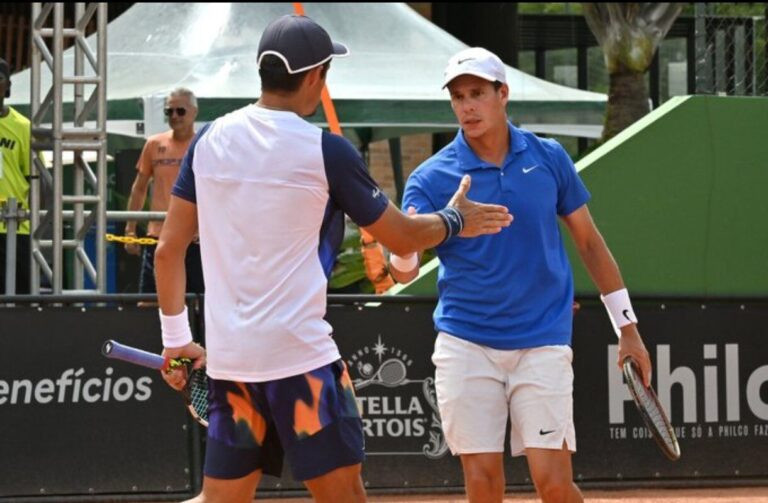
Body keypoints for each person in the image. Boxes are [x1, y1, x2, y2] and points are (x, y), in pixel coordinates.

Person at [154, 15, 512, 503]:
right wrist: (456, 219)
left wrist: (176, 342)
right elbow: (401, 236)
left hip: (231, 363)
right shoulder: (326, 151)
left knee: (219, 499)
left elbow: (168, 251)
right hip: (301, 363)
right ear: (314, 77)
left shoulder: (208, 140)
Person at [389, 47, 652, 503]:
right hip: (466, 343)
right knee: (483, 485)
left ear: (502, 94)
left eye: (477, 93)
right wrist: (402, 249)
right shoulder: (431, 178)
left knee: (555, 485)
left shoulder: (548, 157)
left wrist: (627, 329)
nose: (467, 106)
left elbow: (589, 243)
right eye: (458, 97)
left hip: (542, 341)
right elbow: (405, 268)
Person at [124, 87, 204, 295]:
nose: (174, 116)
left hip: (195, 239)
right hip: (158, 236)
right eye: (169, 111)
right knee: (149, 300)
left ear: (194, 112)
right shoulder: (153, 144)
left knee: (198, 302)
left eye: (180, 111)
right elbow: (139, 188)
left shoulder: (204, 145)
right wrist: (130, 229)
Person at [0, 58, 33, 295]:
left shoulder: (22, 126)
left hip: (14, 226)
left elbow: (36, 179)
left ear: (8, 85)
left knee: (18, 298)